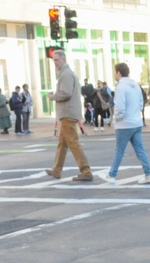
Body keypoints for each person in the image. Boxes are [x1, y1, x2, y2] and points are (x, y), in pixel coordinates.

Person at [101, 63, 150, 185]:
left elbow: (120, 107)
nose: (115, 75)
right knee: (139, 148)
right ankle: (149, 173)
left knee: (119, 149)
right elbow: (141, 103)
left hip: (124, 123)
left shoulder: (121, 87)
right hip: (136, 122)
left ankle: (112, 174)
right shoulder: (135, 85)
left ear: (119, 73)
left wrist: (116, 119)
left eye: (115, 72)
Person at [44, 49, 94, 182]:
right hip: (68, 113)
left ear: (63, 59)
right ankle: (56, 170)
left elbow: (65, 93)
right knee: (63, 144)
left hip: (68, 113)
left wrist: (52, 96)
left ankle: (86, 171)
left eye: (56, 60)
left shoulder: (66, 74)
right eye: (53, 60)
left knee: (73, 143)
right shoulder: (66, 73)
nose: (55, 63)